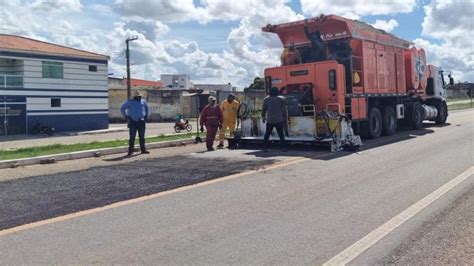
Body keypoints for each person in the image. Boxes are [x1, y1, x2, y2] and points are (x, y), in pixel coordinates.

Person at [120, 90, 150, 156]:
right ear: (134, 97)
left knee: (142, 136)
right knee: (132, 137)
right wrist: (126, 116)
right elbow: (122, 108)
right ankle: (130, 151)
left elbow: (147, 108)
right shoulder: (130, 102)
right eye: (137, 97)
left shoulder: (143, 102)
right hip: (133, 121)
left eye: (139, 96)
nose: (139, 98)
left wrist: (146, 116)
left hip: (141, 121)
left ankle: (143, 149)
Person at [261, 87, 287, 151]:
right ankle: (283, 148)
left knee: (267, 134)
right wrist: (285, 118)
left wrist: (263, 117)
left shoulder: (266, 99)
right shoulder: (281, 99)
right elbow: (284, 110)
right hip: (279, 119)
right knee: (281, 134)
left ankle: (264, 147)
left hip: (270, 120)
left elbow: (264, 109)